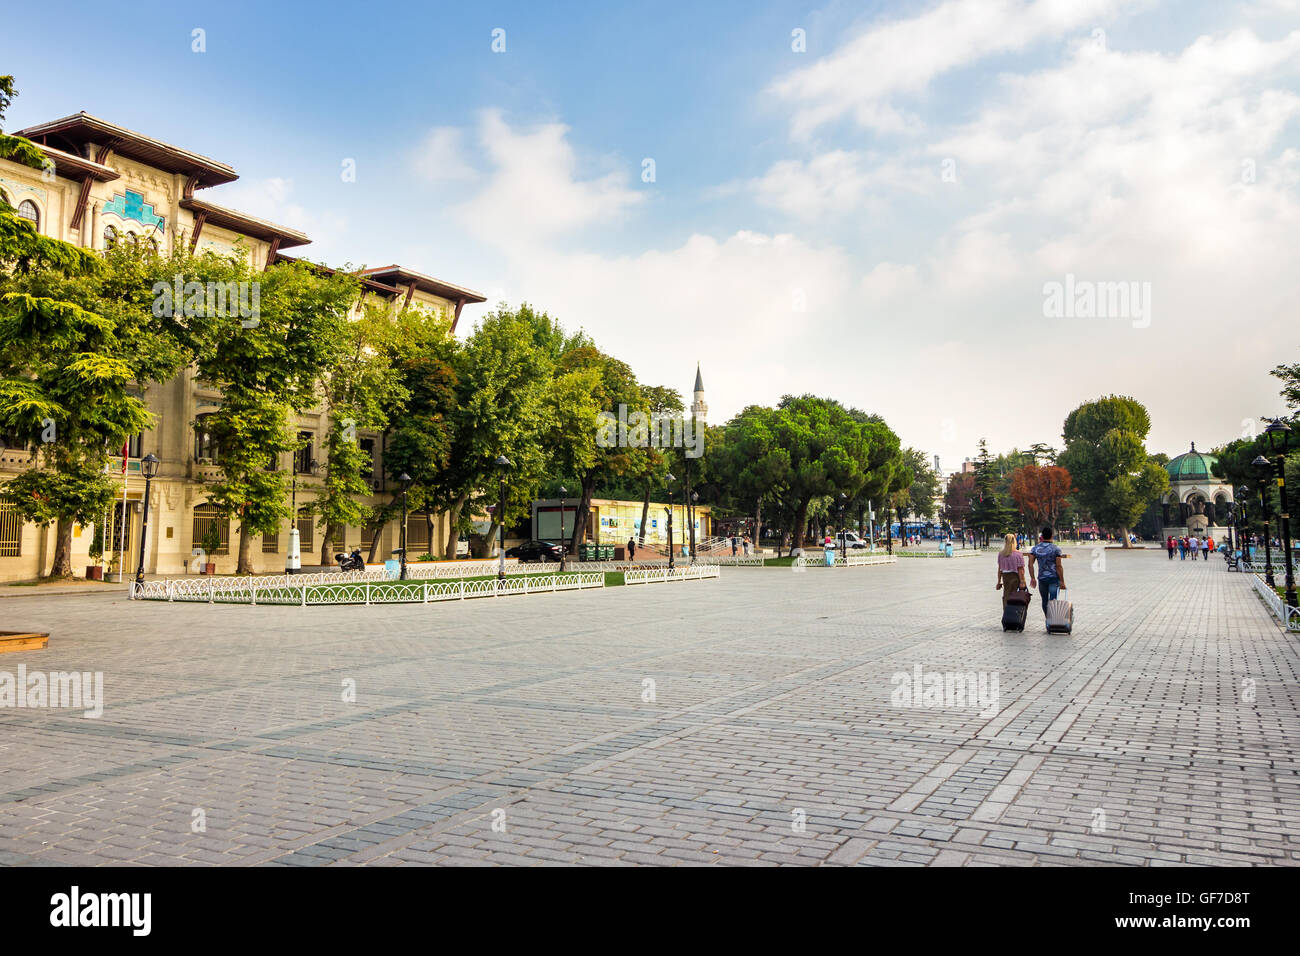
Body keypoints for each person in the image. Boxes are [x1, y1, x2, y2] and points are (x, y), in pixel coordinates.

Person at [1028, 526, 1066, 616]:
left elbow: (1030, 564)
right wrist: (1062, 581)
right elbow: (1059, 566)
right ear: (1052, 536)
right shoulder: (1056, 549)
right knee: (1053, 600)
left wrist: (1032, 578)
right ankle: (1052, 620)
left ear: (1042, 536)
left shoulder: (1035, 549)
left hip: (1042, 578)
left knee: (1044, 601)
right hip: (1053, 578)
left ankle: (1048, 619)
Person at [995, 533, 1028, 606]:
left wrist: (998, 581)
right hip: (1015, 577)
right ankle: (1014, 612)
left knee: (1006, 595)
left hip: (1005, 577)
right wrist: (1022, 581)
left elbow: (1000, 569)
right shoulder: (1018, 554)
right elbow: (1020, 570)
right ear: (1014, 541)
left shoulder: (1001, 554)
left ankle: (1006, 611)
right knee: (1016, 595)